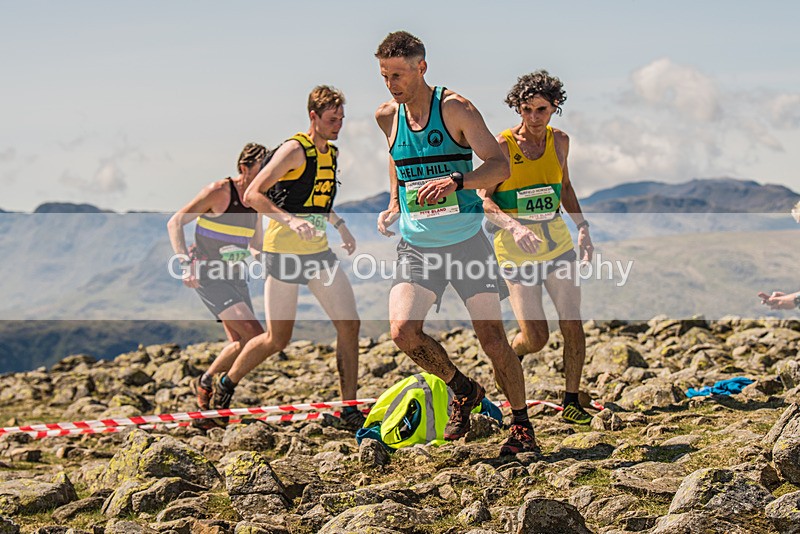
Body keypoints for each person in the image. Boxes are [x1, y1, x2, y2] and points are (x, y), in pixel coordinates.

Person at [374, 31, 538, 455]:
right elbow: (396, 158)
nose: (392, 84)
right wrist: (394, 200)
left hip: (466, 242)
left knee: (493, 341)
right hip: (417, 246)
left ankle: (521, 426)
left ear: (421, 68)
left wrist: (457, 181)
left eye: (398, 75)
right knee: (403, 332)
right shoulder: (385, 116)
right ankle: (462, 389)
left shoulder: (454, 108)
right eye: (385, 75)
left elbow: (499, 166)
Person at [212, 86, 365, 429]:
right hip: (282, 254)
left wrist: (340, 226)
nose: (338, 125)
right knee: (277, 339)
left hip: (317, 254)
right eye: (331, 119)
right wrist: (290, 220)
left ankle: (349, 407)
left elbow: (317, 198)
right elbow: (253, 195)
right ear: (313, 117)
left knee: (350, 325)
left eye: (341, 118)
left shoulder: (332, 153)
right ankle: (226, 383)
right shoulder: (293, 150)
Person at [480, 70, 594, 425]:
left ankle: (572, 400)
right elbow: (485, 201)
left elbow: (566, 187)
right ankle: (511, 355)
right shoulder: (502, 146)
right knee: (537, 336)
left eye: (540, 110)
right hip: (516, 253)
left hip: (557, 244)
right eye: (526, 109)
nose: (532, 117)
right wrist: (514, 226)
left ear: (554, 108)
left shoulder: (560, 142)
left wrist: (583, 227)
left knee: (572, 323)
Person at [167, 143, 267, 416]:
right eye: (260, 170)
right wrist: (184, 263)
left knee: (242, 344)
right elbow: (175, 222)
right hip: (209, 275)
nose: (264, 177)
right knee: (256, 335)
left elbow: (256, 244)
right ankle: (221, 386)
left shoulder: (257, 200)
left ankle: (207, 391)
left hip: (235, 276)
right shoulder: (219, 192)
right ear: (244, 169)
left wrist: (271, 261)